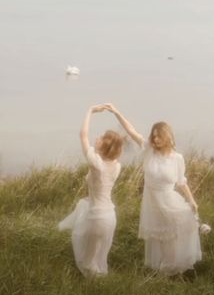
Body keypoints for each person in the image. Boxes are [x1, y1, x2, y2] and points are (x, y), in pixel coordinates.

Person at [105, 104, 202, 275]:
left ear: (167, 136)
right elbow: (131, 131)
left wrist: (192, 200)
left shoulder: (177, 158)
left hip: (170, 201)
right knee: (160, 238)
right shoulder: (149, 150)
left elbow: (181, 182)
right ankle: (165, 270)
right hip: (153, 204)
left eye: (159, 136)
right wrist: (116, 112)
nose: (155, 139)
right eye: (154, 136)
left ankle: (177, 269)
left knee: (175, 235)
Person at [58, 104, 123, 277]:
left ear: (103, 146)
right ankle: (98, 283)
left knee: (88, 262)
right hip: (110, 216)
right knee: (97, 256)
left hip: (97, 218)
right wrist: (99, 148)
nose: (98, 137)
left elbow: (83, 135)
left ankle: (96, 288)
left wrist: (90, 110)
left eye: (102, 138)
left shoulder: (97, 165)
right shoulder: (117, 166)